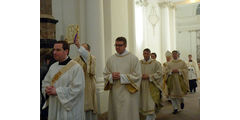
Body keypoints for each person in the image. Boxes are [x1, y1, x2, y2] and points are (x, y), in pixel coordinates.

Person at [42, 40, 85, 120]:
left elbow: (78, 89)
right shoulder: (53, 67)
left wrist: (57, 91)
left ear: (66, 51)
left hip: (69, 110)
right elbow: (45, 82)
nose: (54, 52)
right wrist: (46, 90)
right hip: (54, 105)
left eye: (58, 50)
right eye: (54, 50)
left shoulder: (76, 68)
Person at [103, 37, 142, 120]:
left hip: (128, 93)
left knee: (127, 114)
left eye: (120, 45)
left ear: (125, 45)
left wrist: (122, 76)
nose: (117, 47)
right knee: (116, 113)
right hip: (115, 93)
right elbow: (105, 74)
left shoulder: (133, 58)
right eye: (116, 45)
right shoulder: (111, 59)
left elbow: (138, 76)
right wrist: (111, 76)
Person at [74, 40, 98, 120]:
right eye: (81, 49)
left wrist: (78, 46)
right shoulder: (75, 60)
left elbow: (87, 58)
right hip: (78, 88)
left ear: (88, 51)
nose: (81, 50)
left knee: (88, 112)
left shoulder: (92, 58)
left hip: (88, 86)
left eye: (83, 49)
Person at [140, 48, 163, 120]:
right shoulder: (139, 63)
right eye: (144, 53)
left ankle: (150, 118)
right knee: (144, 104)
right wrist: (140, 76)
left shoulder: (156, 63)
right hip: (142, 87)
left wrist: (149, 76)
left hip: (152, 86)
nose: (145, 55)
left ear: (150, 54)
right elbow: (135, 73)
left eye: (147, 53)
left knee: (151, 104)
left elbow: (159, 73)